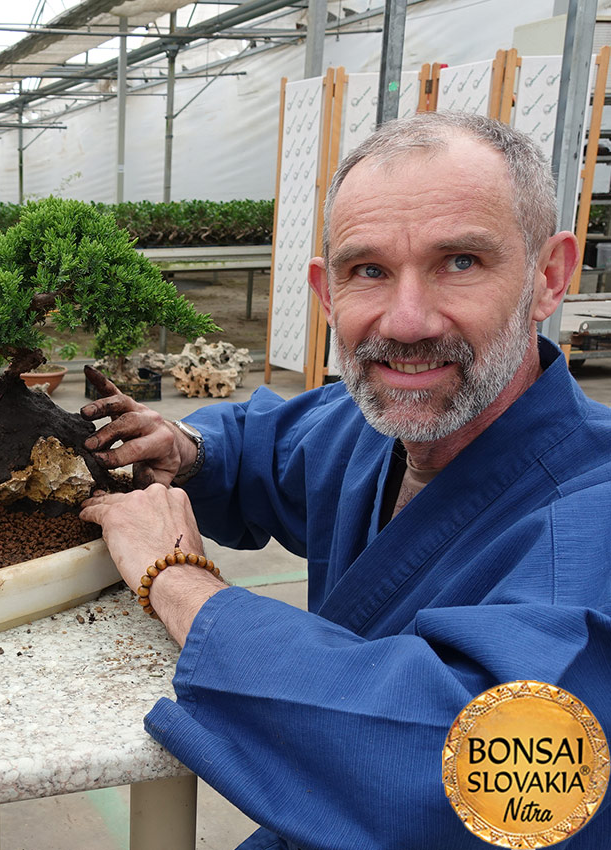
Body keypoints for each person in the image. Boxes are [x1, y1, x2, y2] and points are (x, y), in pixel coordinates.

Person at [79, 111, 611, 849]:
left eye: (460, 261)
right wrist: (183, 445)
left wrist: (180, 584)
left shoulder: (594, 516)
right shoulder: (371, 425)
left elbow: (480, 772)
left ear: (548, 277)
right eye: (370, 271)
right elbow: (268, 443)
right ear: (328, 295)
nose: (408, 320)